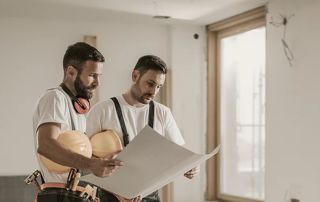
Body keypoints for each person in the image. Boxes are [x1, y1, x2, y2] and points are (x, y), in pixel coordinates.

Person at [86, 55, 199, 202]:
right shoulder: (101, 110)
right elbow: (85, 163)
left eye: (159, 86)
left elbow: (180, 155)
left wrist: (191, 167)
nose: (154, 91)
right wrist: (119, 194)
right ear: (135, 75)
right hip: (110, 196)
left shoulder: (163, 113)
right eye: (150, 84)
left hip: (150, 197)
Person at [33, 42, 123, 200]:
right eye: (92, 75)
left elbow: (81, 160)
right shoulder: (55, 98)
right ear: (71, 72)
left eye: (99, 76)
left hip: (80, 194)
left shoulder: (79, 107)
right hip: (60, 195)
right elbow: (46, 145)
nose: (97, 82)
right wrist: (91, 164)